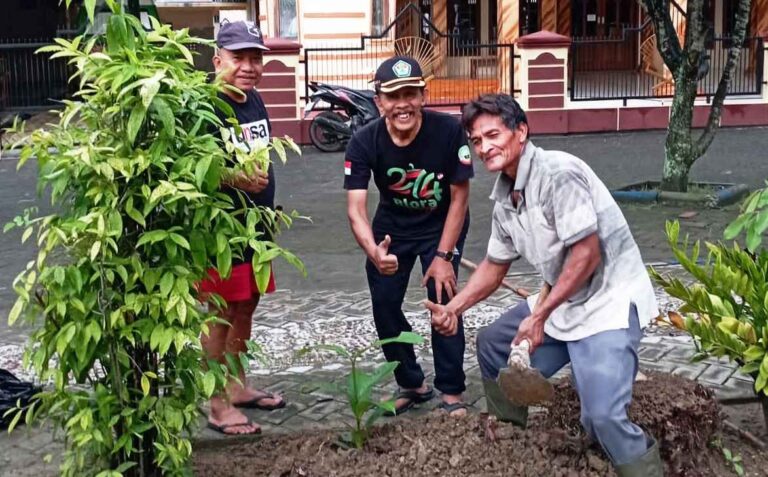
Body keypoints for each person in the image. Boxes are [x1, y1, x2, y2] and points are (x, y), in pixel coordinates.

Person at [425, 94, 663, 476]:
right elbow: (494, 266)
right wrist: (454, 308)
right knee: (493, 344)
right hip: (563, 298)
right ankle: (511, 437)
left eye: (492, 135)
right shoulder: (505, 198)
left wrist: (539, 316)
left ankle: (642, 469)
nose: (484, 147)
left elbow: (587, 255)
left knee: (602, 416)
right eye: (476, 140)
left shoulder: (558, 174)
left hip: (609, 301)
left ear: (521, 131)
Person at [344, 56, 474, 416]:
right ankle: (412, 383)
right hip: (392, 230)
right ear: (379, 102)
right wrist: (374, 251)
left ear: (423, 96)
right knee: (385, 305)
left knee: (443, 301)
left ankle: (451, 390)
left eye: (410, 94)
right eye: (393, 96)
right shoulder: (364, 141)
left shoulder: (448, 131)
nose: (403, 104)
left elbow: (460, 197)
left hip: (442, 226)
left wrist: (444, 257)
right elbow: (355, 209)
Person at [198, 20, 285, 436]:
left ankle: (236, 386)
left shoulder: (254, 100)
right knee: (221, 312)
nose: (249, 66)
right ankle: (216, 404)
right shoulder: (204, 106)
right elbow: (192, 170)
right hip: (222, 232)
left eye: (255, 58)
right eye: (239, 58)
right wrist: (235, 179)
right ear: (218, 60)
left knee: (248, 304)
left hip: (257, 228)